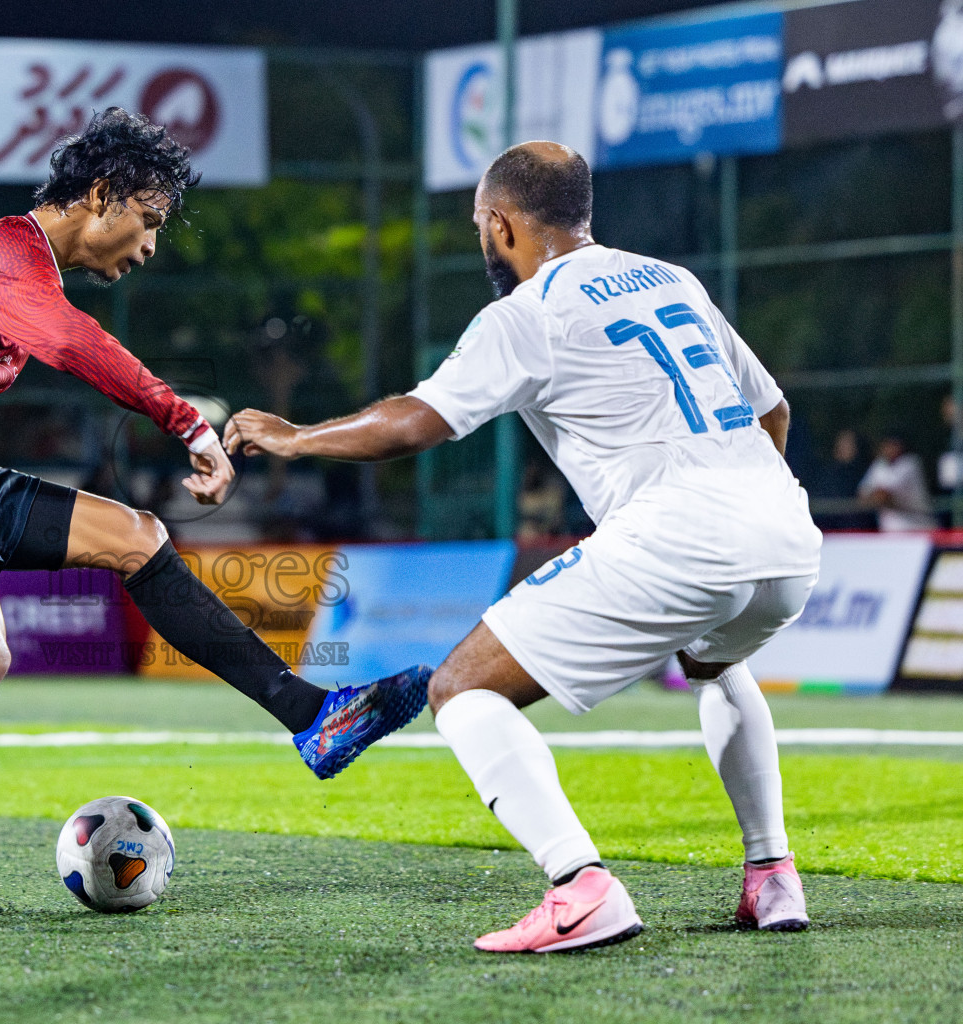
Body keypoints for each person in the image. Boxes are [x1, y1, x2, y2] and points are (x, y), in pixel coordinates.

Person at [0, 108, 428, 937]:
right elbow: (76, 345)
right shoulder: (10, 262)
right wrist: (186, 422)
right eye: (148, 221)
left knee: (139, 536)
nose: (147, 247)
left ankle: (312, 718)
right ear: (103, 196)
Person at [226, 142, 822, 953]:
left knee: (463, 689)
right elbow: (773, 412)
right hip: (788, 537)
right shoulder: (669, 280)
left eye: (480, 224)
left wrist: (296, 437)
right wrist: (744, 523)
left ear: (500, 223)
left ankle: (581, 886)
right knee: (719, 666)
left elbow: (413, 422)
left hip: (680, 534)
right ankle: (772, 874)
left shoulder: (528, 313)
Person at [858, 434, 935, 532]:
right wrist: (877, 497)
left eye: (894, 445)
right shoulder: (879, 464)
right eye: (887, 445)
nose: (889, 448)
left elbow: (884, 496)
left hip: (918, 528)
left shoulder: (910, 463)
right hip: (890, 531)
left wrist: (876, 497)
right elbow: (862, 495)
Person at [807, 429, 874, 531]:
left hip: (855, 530)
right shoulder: (827, 473)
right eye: (841, 442)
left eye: (848, 443)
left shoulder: (866, 472)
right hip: (826, 529)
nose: (843, 447)